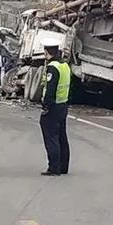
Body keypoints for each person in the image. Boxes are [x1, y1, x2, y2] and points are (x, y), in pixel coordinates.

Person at [39, 39, 71, 176]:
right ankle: (63, 166)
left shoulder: (53, 67)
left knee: (51, 137)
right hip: (63, 105)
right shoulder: (65, 66)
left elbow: (50, 89)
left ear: (46, 52)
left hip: (53, 107)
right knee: (62, 137)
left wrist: (46, 105)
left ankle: (54, 167)